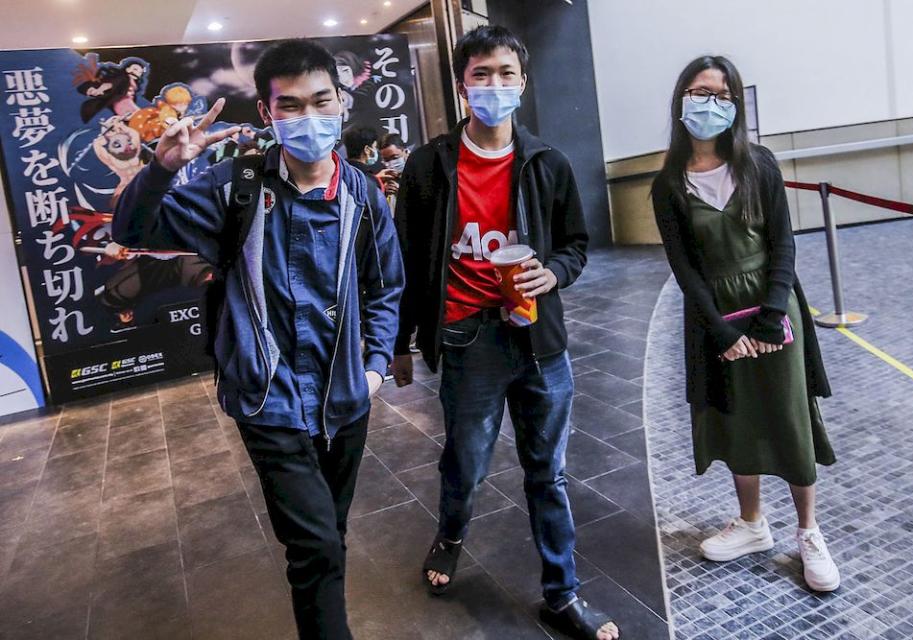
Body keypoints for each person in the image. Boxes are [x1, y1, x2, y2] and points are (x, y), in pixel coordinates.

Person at [112, 39, 404, 639]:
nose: (309, 118)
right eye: (290, 106)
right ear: (269, 116)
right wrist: (162, 168)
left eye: (321, 101)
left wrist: (374, 367)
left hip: (347, 396)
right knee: (316, 543)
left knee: (329, 534)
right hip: (268, 397)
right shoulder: (235, 188)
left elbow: (385, 289)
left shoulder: (363, 195)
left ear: (342, 102)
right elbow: (135, 229)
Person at [392, 25, 620, 640]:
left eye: (506, 74)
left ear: (524, 82)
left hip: (538, 339)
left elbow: (575, 243)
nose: (494, 86)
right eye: (481, 75)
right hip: (468, 341)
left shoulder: (546, 162)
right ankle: (451, 534)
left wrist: (555, 272)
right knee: (465, 463)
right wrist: (401, 343)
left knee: (549, 471)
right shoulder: (429, 166)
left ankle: (562, 593)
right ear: (463, 85)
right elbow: (409, 261)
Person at [651, 55, 839, 592]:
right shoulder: (668, 183)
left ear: (735, 103)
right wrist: (723, 332)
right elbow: (683, 268)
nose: (708, 103)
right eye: (697, 91)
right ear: (680, 100)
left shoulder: (759, 164)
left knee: (788, 415)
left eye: (720, 94)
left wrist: (771, 316)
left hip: (774, 310)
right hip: (716, 317)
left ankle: (809, 532)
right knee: (735, 418)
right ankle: (753, 523)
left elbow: (783, 243)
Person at [343, 126, 399, 197]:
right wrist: (376, 182)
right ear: (367, 150)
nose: (376, 151)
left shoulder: (340, 172)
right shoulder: (370, 181)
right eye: (374, 147)